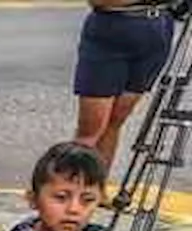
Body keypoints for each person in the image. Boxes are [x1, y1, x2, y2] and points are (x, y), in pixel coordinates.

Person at [73, 0, 177, 179]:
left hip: (156, 31)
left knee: (116, 120)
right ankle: (73, 188)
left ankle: (98, 186)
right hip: (111, 30)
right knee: (91, 130)